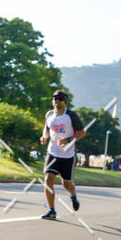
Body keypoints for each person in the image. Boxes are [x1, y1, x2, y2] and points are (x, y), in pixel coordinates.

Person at [40, 90, 86, 220]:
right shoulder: (49, 114)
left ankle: (73, 195)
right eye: (54, 98)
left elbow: (82, 132)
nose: (57, 100)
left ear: (65, 101)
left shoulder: (71, 115)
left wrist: (69, 140)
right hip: (53, 152)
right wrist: (44, 137)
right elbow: (47, 128)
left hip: (68, 155)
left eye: (60, 98)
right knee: (48, 179)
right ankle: (52, 211)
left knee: (66, 184)